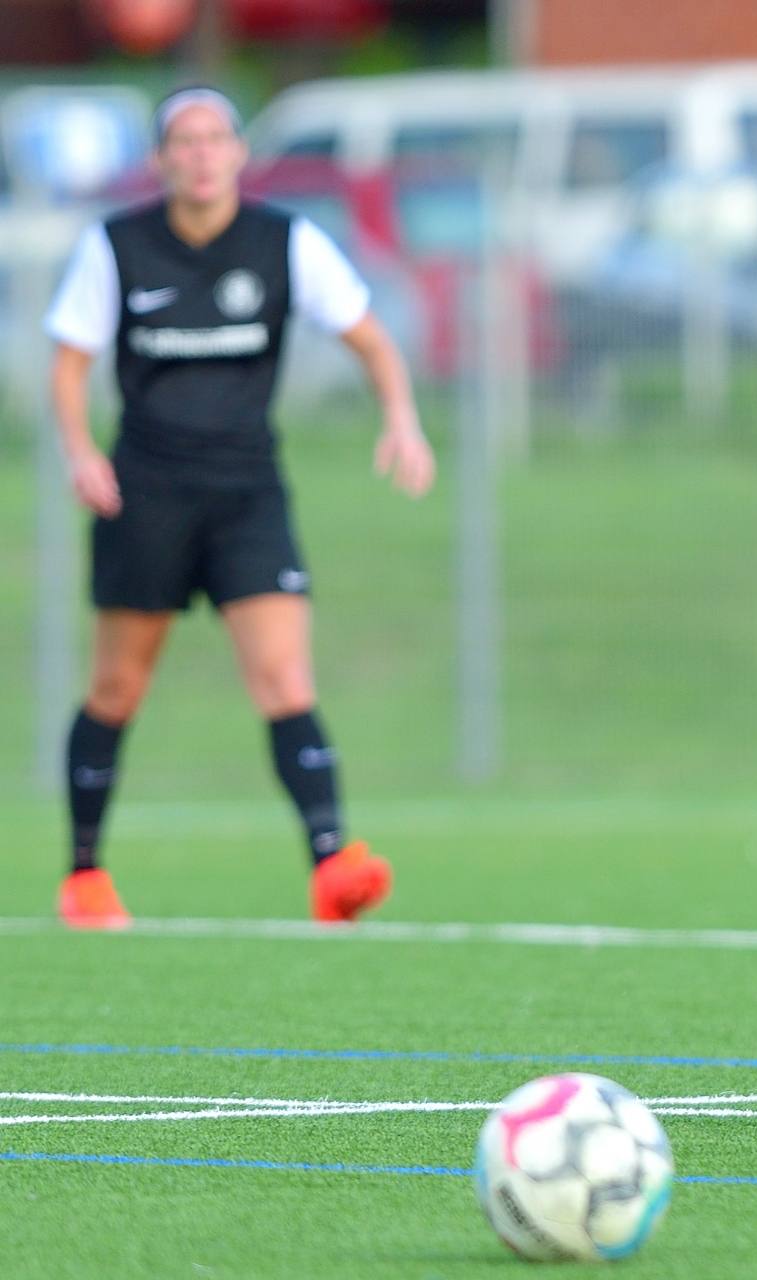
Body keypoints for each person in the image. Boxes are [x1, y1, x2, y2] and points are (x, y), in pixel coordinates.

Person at [43, 86, 435, 929]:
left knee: (286, 679)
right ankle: (85, 875)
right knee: (116, 687)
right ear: (161, 160)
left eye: (215, 138)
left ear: (238, 153)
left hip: (247, 494)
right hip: (146, 493)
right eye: (184, 141)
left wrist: (401, 418)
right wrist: (81, 452)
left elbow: (371, 338)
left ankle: (332, 868)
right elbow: (69, 362)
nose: (201, 155)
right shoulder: (117, 246)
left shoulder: (286, 242)